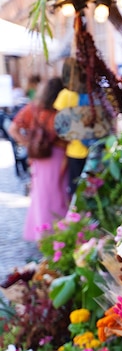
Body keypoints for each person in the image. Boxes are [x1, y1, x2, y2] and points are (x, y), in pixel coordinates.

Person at [8, 77, 69, 242]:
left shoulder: (32, 109)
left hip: (38, 158)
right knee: (58, 195)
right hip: (58, 156)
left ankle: (42, 233)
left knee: (41, 196)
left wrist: (29, 144)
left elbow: (13, 129)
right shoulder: (61, 111)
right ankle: (60, 234)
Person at [55, 58, 90, 197]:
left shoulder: (65, 95)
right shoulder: (91, 93)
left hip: (75, 149)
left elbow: (59, 125)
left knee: (77, 191)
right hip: (96, 148)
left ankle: (79, 217)